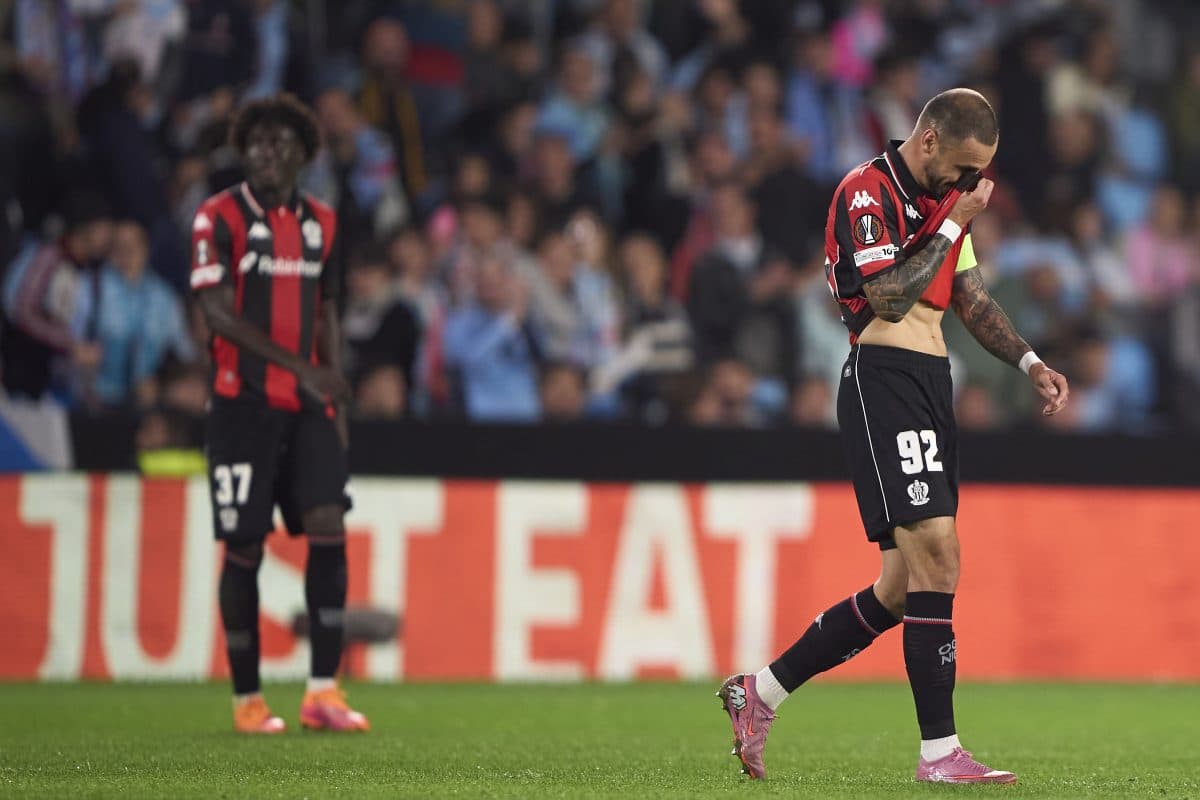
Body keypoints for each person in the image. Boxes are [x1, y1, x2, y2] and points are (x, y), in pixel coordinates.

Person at [717, 89, 1071, 784]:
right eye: (965, 167)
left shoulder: (950, 206)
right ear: (930, 140)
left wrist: (1030, 361)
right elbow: (887, 296)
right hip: (883, 375)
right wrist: (951, 224)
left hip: (931, 383)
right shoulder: (865, 191)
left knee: (903, 588)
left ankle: (759, 693)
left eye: (983, 172)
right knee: (939, 553)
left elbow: (967, 297)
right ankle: (939, 754)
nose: (972, 184)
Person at [189, 94, 368, 735]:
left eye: (279, 142)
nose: (267, 152)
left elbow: (326, 312)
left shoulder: (323, 221)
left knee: (328, 525)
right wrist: (302, 370)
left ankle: (323, 691)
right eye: (257, 142)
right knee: (244, 544)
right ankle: (248, 701)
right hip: (243, 406)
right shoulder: (217, 218)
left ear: (302, 152)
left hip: (309, 406)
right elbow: (214, 314)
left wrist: (334, 391)